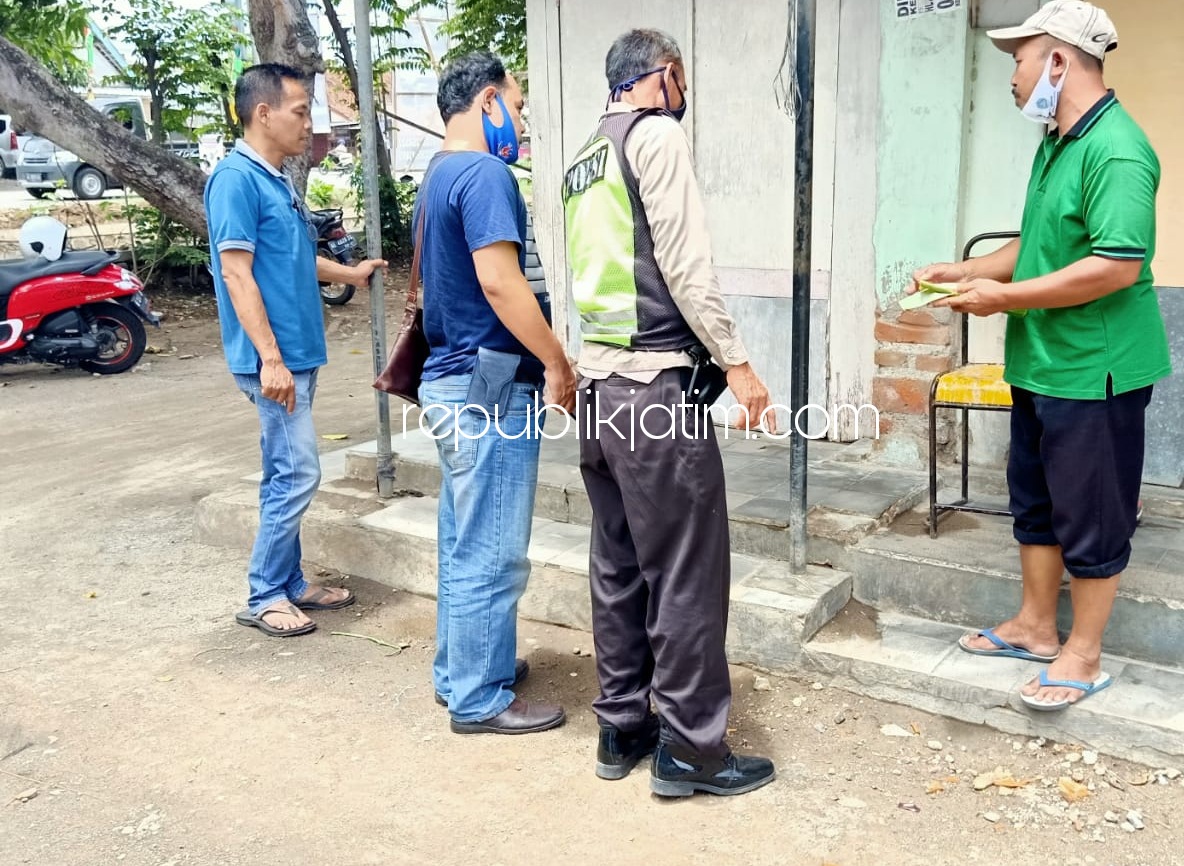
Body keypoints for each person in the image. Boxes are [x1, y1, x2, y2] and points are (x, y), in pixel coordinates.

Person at [910, 1, 1171, 711]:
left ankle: (1082, 653)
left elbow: (1115, 265)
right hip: (1043, 360)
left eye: (1019, 60)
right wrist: (966, 273)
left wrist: (1006, 299)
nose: (1014, 76)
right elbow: (1037, 246)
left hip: (1096, 369)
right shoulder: (1058, 143)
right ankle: (1032, 625)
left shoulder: (1115, 149)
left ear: (1057, 60)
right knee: (1035, 501)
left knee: (1090, 513)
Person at [562, 28, 776, 797]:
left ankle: (622, 726)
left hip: (600, 389)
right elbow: (685, 264)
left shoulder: (587, 153)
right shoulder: (654, 137)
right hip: (655, 388)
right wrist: (736, 360)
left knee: (618, 564)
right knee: (685, 569)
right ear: (665, 75)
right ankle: (691, 748)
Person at [416, 52, 576, 735]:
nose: (520, 117)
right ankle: (481, 698)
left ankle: (465, 671)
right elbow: (499, 283)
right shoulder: (483, 172)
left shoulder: (438, 174)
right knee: (494, 548)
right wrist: (556, 362)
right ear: (487, 101)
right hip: (492, 385)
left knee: (464, 536)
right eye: (516, 102)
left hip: (452, 381)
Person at [206, 64, 387, 637]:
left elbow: (291, 260)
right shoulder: (235, 179)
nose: (309, 124)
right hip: (274, 360)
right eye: (301, 111)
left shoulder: (276, 177)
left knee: (283, 471)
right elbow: (236, 274)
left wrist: (351, 275)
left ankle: (288, 582)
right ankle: (264, 594)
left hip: (296, 354)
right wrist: (271, 359)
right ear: (264, 113)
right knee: (299, 473)